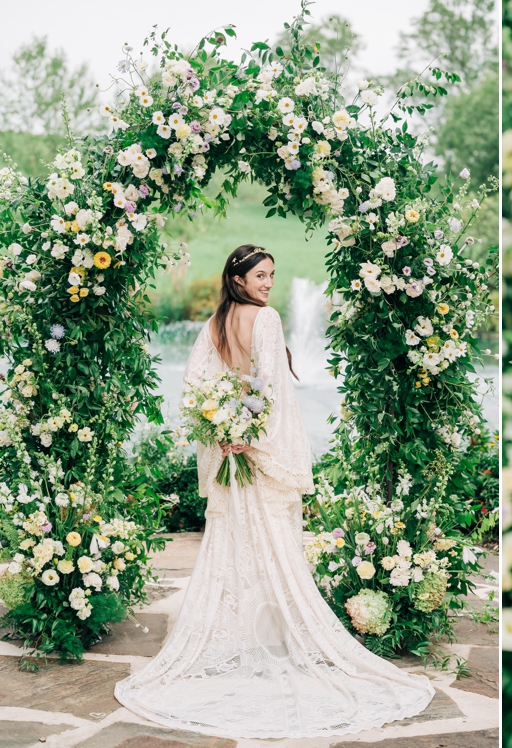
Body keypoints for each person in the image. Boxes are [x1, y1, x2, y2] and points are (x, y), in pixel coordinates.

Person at [115, 244, 434, 739]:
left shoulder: (214, 325)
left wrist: (220, 426)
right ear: (239, 279)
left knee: (238, 548)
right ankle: (275, 644)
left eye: (271, 275)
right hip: (256, 456)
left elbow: (196, 384)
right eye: (260, 276)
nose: (268, 283)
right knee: (274, 547)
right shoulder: (265, 321)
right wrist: (256, 437)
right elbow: (274, 391)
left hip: (230, 452)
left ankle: (251, 641)